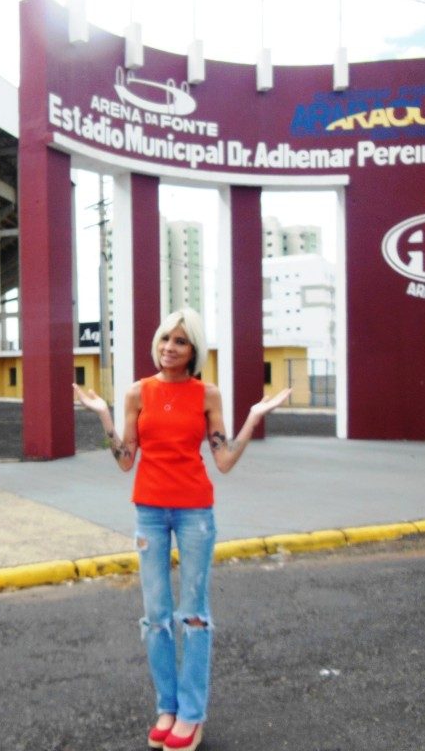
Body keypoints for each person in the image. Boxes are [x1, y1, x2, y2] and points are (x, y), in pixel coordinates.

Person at [73, 307, 290, 751]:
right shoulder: (138, 393)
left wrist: (253, 417)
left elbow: (224, 461)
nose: (169, 347)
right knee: (155, 618)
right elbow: (126, 461)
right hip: (149, 511)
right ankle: (167, 708)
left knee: (193, 615)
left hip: (194, 513)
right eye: (164, 339)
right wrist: (104, 416)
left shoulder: (207, 394)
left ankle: (192, 715)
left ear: (194, 350)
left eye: (180, 341)